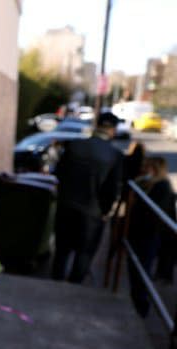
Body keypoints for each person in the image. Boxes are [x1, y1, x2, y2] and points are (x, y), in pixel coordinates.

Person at [52, 112, 124, 283]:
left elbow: (59, 173)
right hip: (93, 211)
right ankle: (74, 287)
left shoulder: (74, 145)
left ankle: (55, 283)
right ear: (113, 130)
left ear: (96, 125)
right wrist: (106, 211)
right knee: (84, 253)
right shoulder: (115, 155)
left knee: (62, 249)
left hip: (66, 204)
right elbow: (113, 188)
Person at [127, 157, 176, 316]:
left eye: (148, 167)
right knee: (135, 268)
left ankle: (141, 305)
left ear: (155, 168)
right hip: (138, 234)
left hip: (148, 236)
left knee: (142, 270)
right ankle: (136, 301)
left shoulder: (163, 186)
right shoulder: (145, 182)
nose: (144, 169)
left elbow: (155, 215)